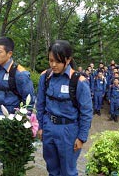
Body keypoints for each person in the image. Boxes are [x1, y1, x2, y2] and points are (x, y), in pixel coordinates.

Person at [36, 40, 93, 176]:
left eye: (58, 61)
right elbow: (40, 104)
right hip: (49, 126)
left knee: (68, 170)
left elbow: (86, 112)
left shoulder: (78, 82)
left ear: (68, 60)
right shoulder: (45, 77)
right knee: (52, 167)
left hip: (68, 131)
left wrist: (81, 137)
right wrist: (41, 126)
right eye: (51, 61)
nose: (53, 65)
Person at [0, 37, 35, 120]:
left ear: (9, 53)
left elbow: (29, 101)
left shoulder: (20, 74)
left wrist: (23, 120)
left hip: (13, 116)